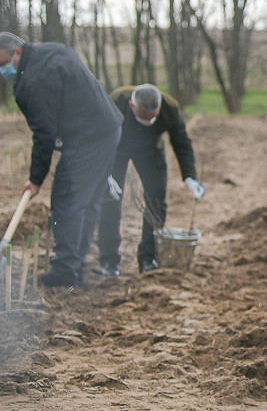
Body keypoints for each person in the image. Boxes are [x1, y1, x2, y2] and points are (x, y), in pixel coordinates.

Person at [0, 32, 122, 288]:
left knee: (67, 200)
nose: (3, 70)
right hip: (106, 128)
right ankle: (73, 266)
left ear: (18, 53)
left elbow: (43, 134)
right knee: (86, 202)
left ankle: (66, 271)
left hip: (89, 137)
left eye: (4, 63)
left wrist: (35, 180)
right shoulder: (51, 50)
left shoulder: (31, 82)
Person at [97, 84, 204, 276]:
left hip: (149, 150)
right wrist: (103, 174)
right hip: (115, 148)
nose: (149, 121)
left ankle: (148, 257)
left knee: (156, 202)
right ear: (131, 106)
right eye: (143, 117)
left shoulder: (170, 108)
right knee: (110, 199)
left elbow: (181, 141)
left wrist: (190, 176)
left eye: (152, 117)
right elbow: (98, 137)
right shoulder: (116, 102)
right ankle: (109, 260)